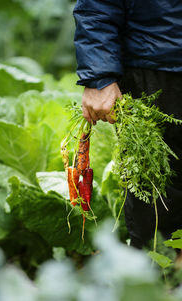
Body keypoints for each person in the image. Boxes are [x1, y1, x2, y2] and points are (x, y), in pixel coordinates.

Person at [73, 0, 182, 248]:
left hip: (155, 56)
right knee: (157, 199)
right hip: (155, 64)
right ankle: (158, 281)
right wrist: (98, 74)